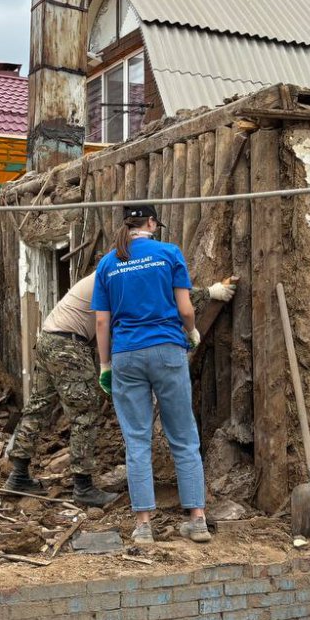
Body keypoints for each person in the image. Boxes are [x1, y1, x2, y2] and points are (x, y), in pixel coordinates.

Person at [92, 203, 235, 545]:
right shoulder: (169, 253)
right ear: (152, 223)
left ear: (127, 225)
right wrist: (191, 332)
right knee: (184, 437)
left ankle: (143, 526)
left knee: (137, 441)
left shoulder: (108, 262)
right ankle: (197, 520)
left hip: (126, 354)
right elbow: (186, 307)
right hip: (168, 350)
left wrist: (105, 365)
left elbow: (100, 321)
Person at [4, 271, 118, 507]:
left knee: (38, 407)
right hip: (68, 345)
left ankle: (18, 475)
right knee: (85, 413)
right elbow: (104, 322)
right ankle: (83, 487)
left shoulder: (103, 274)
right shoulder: (115, 275)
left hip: (48, 339)